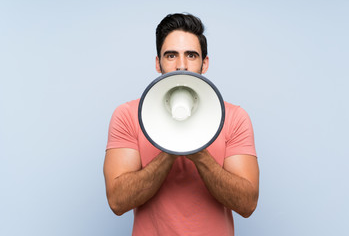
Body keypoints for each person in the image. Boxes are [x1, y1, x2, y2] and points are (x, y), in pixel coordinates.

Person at [103, 13, 259, 235]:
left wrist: (199, 153)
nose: (182, 65)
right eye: (171, 55)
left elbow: (247, 204)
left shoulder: (235, 117)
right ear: (158, 63)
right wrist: (172, 145)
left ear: (205, 63)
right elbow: (118, 202)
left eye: (192, 55)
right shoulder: (127, 115)